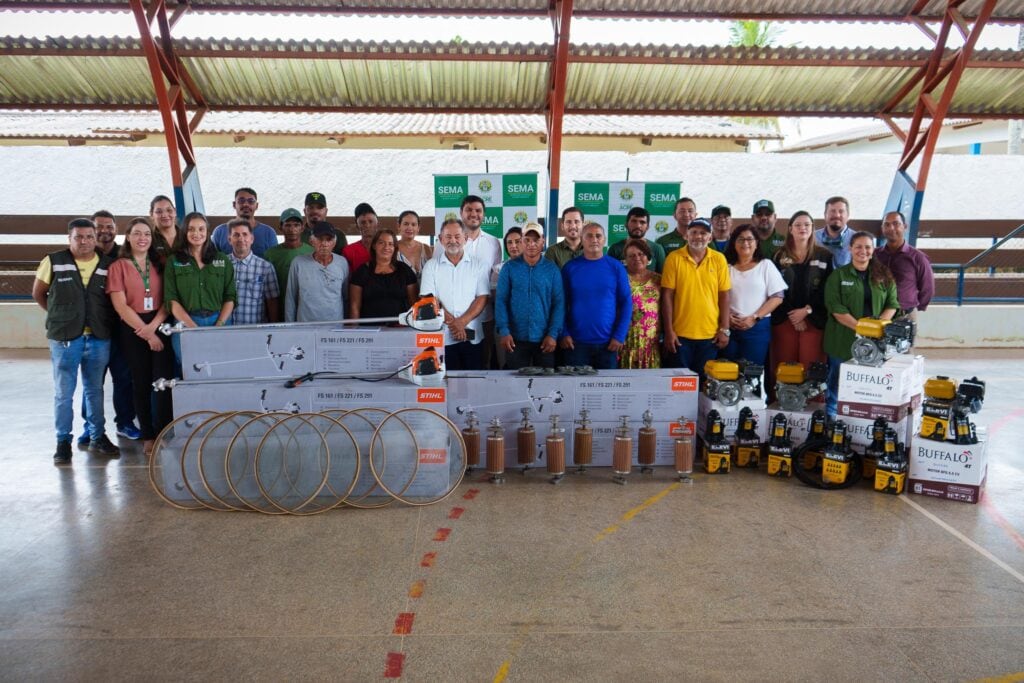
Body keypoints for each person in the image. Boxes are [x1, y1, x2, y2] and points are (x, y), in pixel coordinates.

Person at [32, 218, 119, 464]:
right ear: (69, 238)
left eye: (89, 236)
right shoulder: (54, 261)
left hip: (98, 337)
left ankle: (97, 436)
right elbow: (39, 293)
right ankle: (62, 441)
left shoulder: (107, 264)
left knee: (95, 390)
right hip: (65, 339)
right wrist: (61, 317)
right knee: (64, 393)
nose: (84, 241)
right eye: (78, 237)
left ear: (95, 238)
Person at [105, 217, 175, 456]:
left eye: (146, 233)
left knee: (163, 382)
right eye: (137, 233)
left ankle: (164, 430)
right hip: (133, 327)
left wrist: (154, 328)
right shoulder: (118, 266)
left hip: (159, 323)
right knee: (142, 382)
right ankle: (148, 435)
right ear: (128, 237)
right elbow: (121, 306)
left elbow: (169, 300)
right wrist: (146, 334)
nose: (142, 238)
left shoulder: (160, 264)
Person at [77, 209, 139, 444]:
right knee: (93, 382)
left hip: (122, 330)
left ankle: (125, 422)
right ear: (92, 230)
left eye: (109, 226)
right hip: (93, 332)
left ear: (116, 229)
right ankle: (89, 426)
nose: (105, 231)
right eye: (100, 226)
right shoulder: (85, 257)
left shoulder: (124, 255)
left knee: (124, 378)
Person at [823, 231, 900, 417]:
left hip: (876, 344)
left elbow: (892, 304)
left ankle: (863, 424)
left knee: (868, 388)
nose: (862, 251)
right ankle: (831, 422)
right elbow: (835, 307)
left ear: (873, 250)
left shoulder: (884, 276)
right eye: (858, 246)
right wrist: (863, 329)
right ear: (850, 248)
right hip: (842, 342)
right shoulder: (838, 276)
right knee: (836, 385)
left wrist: (877, 328)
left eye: (867, 247)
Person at [770, 210, 834, 393]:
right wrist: (794, 315)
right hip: (785, 319)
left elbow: (826, 289)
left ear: (813, 228)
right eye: (798, 225)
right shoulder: (778, 257)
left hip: (813, 320)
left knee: (812, 368)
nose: (802, 228)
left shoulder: (825, 256)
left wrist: (807, 311)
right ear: (790, 229)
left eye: (807, 224)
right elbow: (776, 289)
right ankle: (781, 406)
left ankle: (813, 412)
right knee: (783, 368)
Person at [661, 218, 731, 377]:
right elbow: (667, 296)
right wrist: (669, 331)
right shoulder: (674, 258)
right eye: (693, 232)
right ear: (686, 235)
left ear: (710, 237)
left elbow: (724, 295)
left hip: (710, 335)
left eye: (703, 233)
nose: (698, 236)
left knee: (705, 387)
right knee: (680, 385)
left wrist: (725, 329)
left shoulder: (719, 259)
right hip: (680, 336)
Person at [164, 212, 236, 365]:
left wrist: (219, 326)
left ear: (207, 232)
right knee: (189, 370)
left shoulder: (222, 259)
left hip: (218, 321)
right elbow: (171, 299)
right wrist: (192, 328)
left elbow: (230, 297)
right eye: (191, 229)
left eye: (201, 229)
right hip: (186, 323)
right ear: (184, 232)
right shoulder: (174, 261)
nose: (196, 233)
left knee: (220, 369)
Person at [420, 219, 490, 370]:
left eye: (457, 236)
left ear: (465, 238)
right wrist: (455, 325)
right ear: (440, 239)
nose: (453, 241)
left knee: (474, 384)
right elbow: (428, 299)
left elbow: (482, 297)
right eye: (448, 236)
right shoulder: (431, 266)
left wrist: (462, 322)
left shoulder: (478, 264)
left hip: (472, 336)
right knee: (448, 385)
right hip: (442, 338)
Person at [560, 222, 632, 369]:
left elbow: (626, 303)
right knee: (575, 390)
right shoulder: (570, 268)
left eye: (598, 236)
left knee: (606, 390)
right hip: (575, 344)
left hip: (608, 344)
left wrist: (619, 335)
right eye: (589, 236)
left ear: (604, 239)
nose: (594, 239)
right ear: (582, 239)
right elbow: (560, 304)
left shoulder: (616, 267)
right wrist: (564, 333)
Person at [495, 223, 564, 370]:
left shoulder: (552, 270)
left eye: (536, 240)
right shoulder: (509, 268)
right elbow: (501, 301)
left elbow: (559, 303)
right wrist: (504, 331)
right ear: (522, 242)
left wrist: (553, 334)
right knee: (515, 385)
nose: (531, 244)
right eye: (527, 239)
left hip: (545, 340)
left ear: (543, 242)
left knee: (545, 385)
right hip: (515, 339)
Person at [448, 195, 502, 369]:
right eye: (469, 210)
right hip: (452, 316)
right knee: (453, 365)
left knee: (482, 362)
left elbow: (493, 281)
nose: (474, 214)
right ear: (461, 213)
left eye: (478, 210)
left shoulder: (494, 243)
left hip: (484, 315)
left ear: (483, 214)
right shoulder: (445, 241)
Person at [722, 224, 787, 367]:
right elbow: (716, 297)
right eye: (740, 239)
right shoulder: (725, 266)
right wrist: (726, 318)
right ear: (733, 243)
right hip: (729, 327)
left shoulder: (766, 265)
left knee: (752, 374)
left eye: (750, 239)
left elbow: (777, 297)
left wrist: (754, 317)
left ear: (757, 243)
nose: (745, 243)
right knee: (727, 373)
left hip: (757, 328)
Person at [874, 210, 934, 321]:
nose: (891, 228)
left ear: (905, 226)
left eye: (896, 224)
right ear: (882, 229)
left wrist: (914, 307)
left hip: (904, 316)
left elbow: (927, 288)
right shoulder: (875, 255)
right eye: (887, 224)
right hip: (878, 315)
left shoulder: (918, 257)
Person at [285, 221, 349, 323]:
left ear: (334, 242)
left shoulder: (342, 263)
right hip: (305, 328)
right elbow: (290, 298)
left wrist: (346, 327)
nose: (324, 244)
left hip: (335, 329)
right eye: (320, 239)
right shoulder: (298, 263)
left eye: (329, 239)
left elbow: (346, 297)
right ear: (311, 241)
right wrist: (290, 328)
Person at [349, 229, 418, 321]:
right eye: (381, 243)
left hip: (400, 328)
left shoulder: (405, 270)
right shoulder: (361, 272)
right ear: (374, 246)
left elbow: (414, 303)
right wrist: (354, 332)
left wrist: (416, 329)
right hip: (369, 330)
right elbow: (354, 307)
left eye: (390, 244)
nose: (386, 247)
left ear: (395, 248)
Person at [227, 218, 280, 325]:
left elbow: (272, 303)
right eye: (236, 235)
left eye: (245, 234)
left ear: (252, 239)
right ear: (229, 239)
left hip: (255, 331)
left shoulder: (265, 268)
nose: (241, 239)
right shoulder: (221, 265)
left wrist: (274, 330)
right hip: (226, 330)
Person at [619, 239, 662, 369]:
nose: (637, 258)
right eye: (631, 255)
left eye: (641, 254)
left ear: (648, 257)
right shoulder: (620, 278)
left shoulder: (659, 279)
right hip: (625, 339)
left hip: (651, 341)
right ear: (625, 259)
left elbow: (666, 308)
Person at [263, 208, 312, 307]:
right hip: (278, 306)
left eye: (296, 225)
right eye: (287, 225)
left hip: (305, 307)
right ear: (280, 227)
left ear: (302, 228)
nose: (292, 229)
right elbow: (266, 287)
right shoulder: (270, 254)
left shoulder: (311, 252)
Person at [210, 187, 279, 257]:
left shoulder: (268, 233)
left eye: (251, 201)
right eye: (241, 201)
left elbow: (274, 261)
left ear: (257, 206)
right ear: (234, 204)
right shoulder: (220, 232)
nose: (246, 204)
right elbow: (213, 261)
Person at [608, 207, 666, 272]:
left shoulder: (657, 249)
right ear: (626, 224)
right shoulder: (615, 249)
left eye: (642, 222)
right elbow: (609, 276)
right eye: (634, 221)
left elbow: (662, 278)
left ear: (647, 227)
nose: (638, 225)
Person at [815, 196, 854, 267]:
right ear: (825, 215)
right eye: (832, 211)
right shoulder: (813, 238)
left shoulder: (856, 239)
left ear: (848, 216)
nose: (837, 215)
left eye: (841, 211)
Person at [342, 202, 378, 274]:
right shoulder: (348, 251)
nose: (367, 225)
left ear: (377, 223)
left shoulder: (387, 247)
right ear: (357, 226)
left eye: (371, 221)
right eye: (363, 222)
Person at [395, 210, 432, 279]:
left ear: (418, 228)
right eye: (406, 224)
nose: (410, 227)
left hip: (424, 289)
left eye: (413, 224)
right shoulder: (393, 248)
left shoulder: (426, 249)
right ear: (399, 226)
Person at [149, 194, 178, 264]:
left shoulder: (186, 237)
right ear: (151, 215)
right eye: (159, 212)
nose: (165, 215)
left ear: (175, 211)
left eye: (169, 210)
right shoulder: (148, 239)